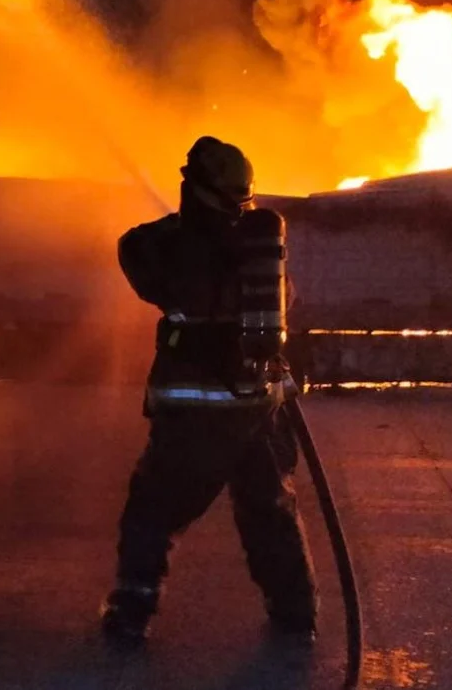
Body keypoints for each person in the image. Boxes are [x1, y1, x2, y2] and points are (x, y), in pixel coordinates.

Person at [101, 136, 317, 647]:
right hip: (263, 409)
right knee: (270, 510)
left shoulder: (167, 245)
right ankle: (295, 616)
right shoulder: (265, 248)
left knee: (152, 510)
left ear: (190, 186)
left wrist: (186, 227)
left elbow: (140, 264)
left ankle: (131, 613)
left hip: (197, 416)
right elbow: (288, 301)